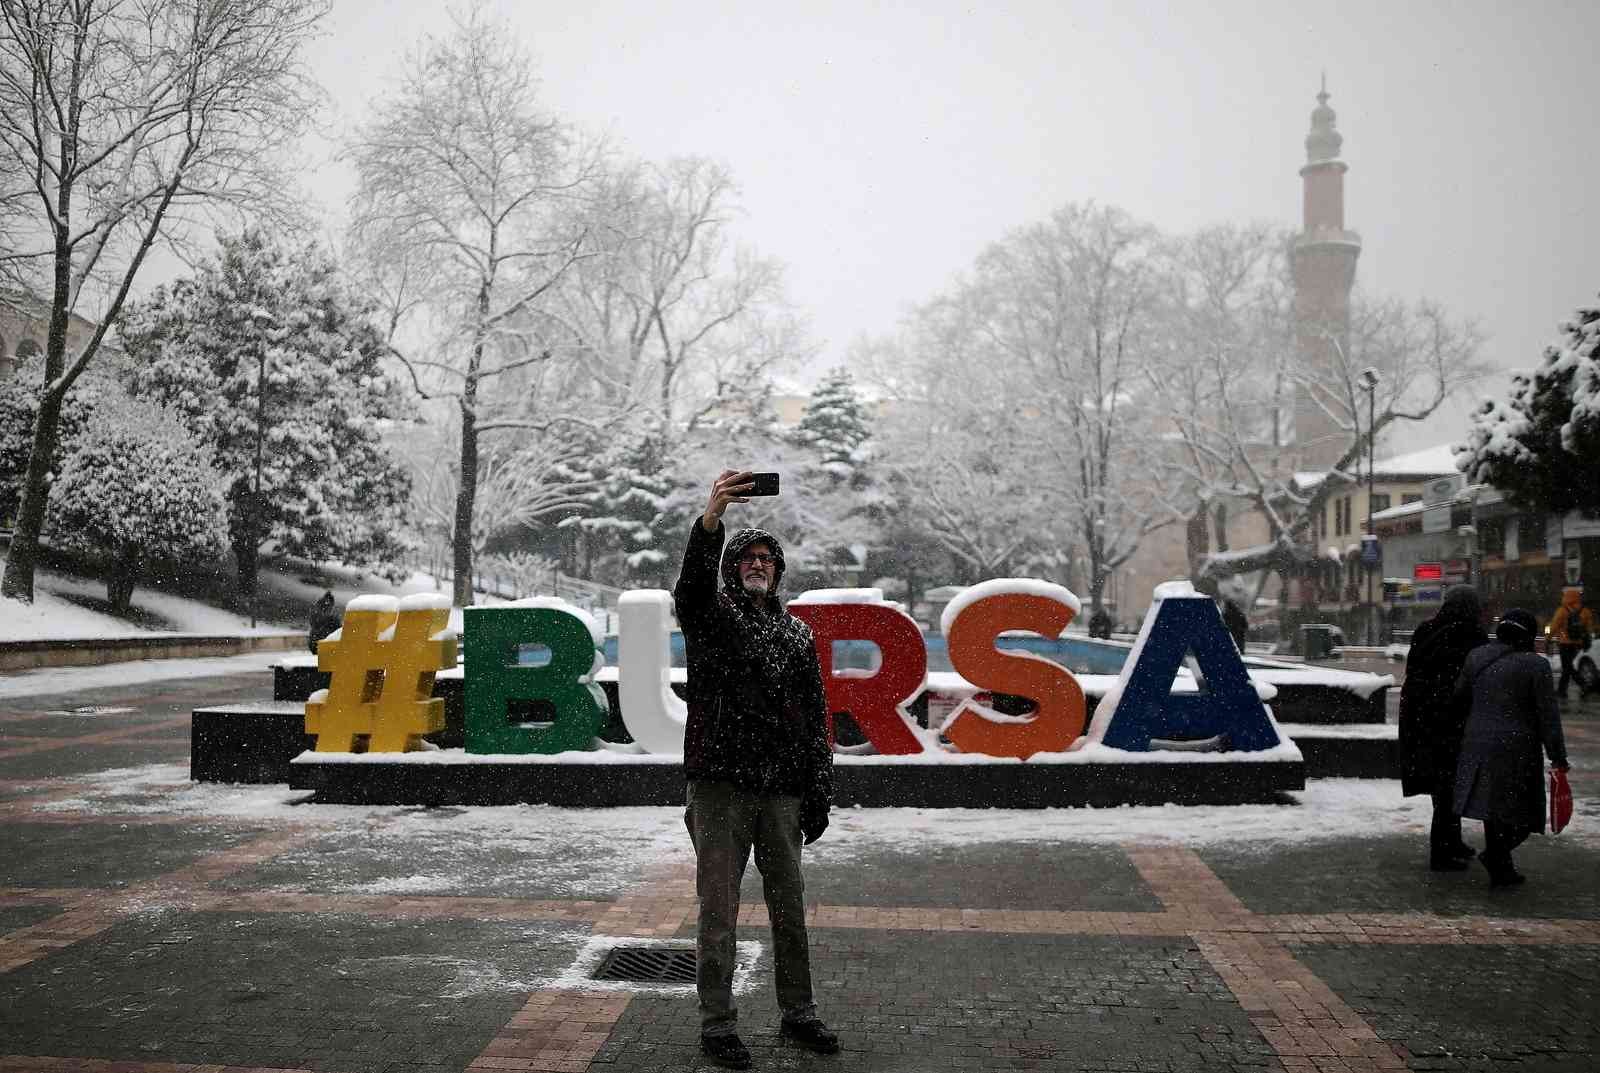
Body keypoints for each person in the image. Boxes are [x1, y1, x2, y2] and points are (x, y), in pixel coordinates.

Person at [673, 469, 838, 1069]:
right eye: (748, 557)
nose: (758, 564)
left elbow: (814, 719)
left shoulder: (796, 634)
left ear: (779, 570)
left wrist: (817, 792)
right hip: (720, 788)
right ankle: (718, 1025)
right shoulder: (712, 618)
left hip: (781, 792)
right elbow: (690, 588)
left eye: (767, 558)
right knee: (717, 910)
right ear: (731, 566)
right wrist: (712, 517)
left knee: (789, 908)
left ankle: (800, 1013)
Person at [1452, 607, 1571, 887]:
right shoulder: (1536, 665)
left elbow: (1459, 697)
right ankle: (1497, 857)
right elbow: (1548, 716)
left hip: (1476, 744)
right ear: (1527, 635)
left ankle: (1501, 865)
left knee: (1492, 810)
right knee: (1523, 813)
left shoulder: (1476, 656)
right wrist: (1558, 756)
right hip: (1517, 748)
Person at [1398, 585, 1487, 870]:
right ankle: (1442, 852)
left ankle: (1453, 841)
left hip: (1423, 720)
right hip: (1455, 722)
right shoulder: (1472, 635)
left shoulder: (1426, 630)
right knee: (1451, 785)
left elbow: (1415, 674)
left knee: (1442, 785)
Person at [1549, 585, 1595, 701]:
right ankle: (1562, 690)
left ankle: (1581, 685)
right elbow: (1589, 628)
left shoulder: (1562, 610)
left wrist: (1548, 639)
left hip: (1564, 642)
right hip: (1577, 643)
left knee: (1567, 667)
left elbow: (1554, 626)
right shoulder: (1585, 611)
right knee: (1567, 666)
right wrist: (1587, 639)